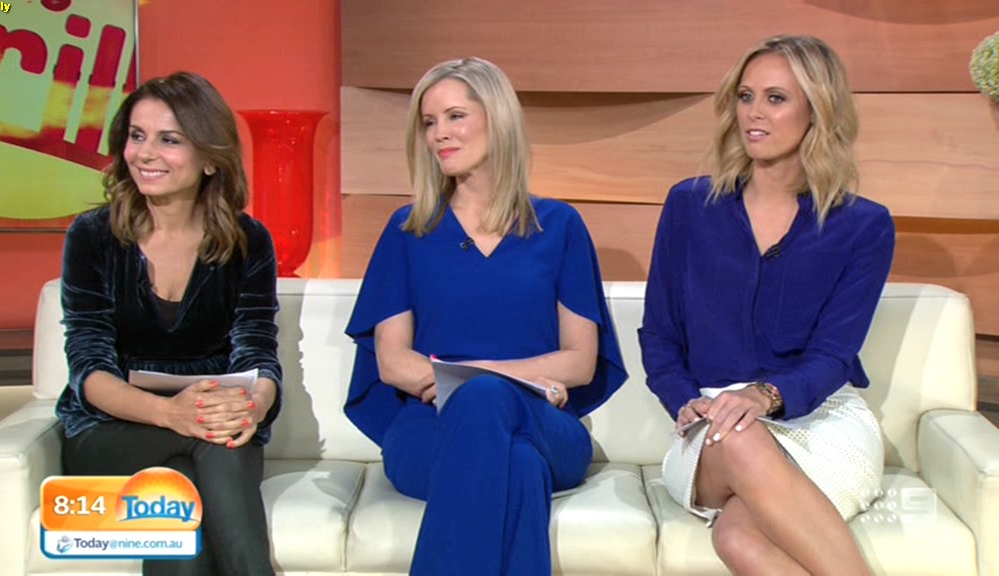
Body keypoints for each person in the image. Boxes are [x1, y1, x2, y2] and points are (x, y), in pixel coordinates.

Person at [344, 57, 627, 575]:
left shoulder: (559, 225)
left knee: (485, 398)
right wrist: (501, 381)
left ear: (497, 119)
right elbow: (392, 361)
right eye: (429, 122)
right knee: (517, 465)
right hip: (429, 429)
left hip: (544, 423)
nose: (439, 134)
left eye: (455, 116)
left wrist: (475, 379)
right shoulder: (409, 230)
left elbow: (580, 361)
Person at [639, 35, 895, 575]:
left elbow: (834, 354)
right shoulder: (689, 206)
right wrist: (683, 399)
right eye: (746, 96)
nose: (753, 113)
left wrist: (767, 394)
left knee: (740, 540)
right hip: (711, 426)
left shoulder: (863, 225)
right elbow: (659, 334)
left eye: (775, 98)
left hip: (821, 420)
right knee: (737, 433)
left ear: (817, 111)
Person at [55, 72, 281, 576]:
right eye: (137, 136)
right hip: (112, 428)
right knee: (210, 443)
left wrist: (253, 407)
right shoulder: (93, 236)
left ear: (209, 158)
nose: (145, 154)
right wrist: (172, 414)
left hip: (214, 419)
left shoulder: (248, 241)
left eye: (169, 140)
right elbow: (89, 366)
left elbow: (257, 350)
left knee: (180, 487)